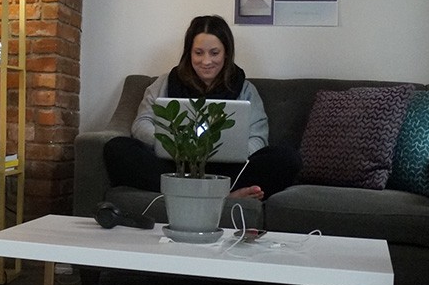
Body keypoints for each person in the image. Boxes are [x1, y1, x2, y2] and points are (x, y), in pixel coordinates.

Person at [103, 15, 300, 201]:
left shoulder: (245, 89)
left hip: (226, 171)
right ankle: (219, 197)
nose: (206, 61)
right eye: (198, 53)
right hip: (174, 168)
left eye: (214, 53)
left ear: (226, 53)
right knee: (117, 147)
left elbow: (258, 137)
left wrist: (233, 152)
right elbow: (141, 124)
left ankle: (187, 195)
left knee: (287, 159)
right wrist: (173, 145)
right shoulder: (164, 83)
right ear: (189, 53)